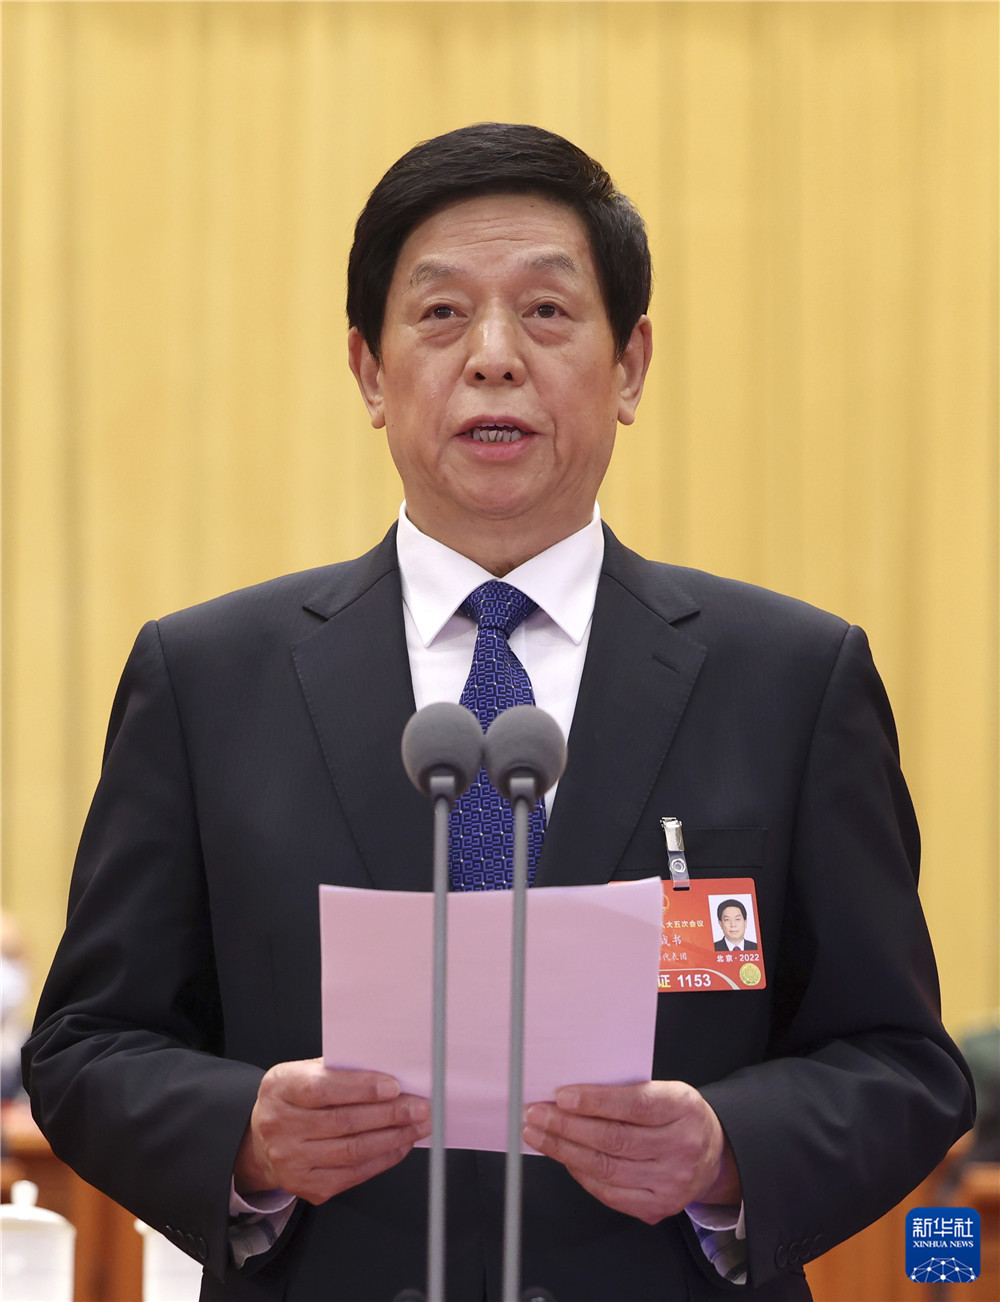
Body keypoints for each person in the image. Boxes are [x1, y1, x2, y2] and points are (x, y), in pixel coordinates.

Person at [24, 124, 973, 1302]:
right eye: (439, 315)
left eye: (546, 312)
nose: (492, 358)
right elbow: (87, 1047)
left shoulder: (790, 679)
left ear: (629, 367)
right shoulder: (209, 679)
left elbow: (900, 1063)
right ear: (369, 373)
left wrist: (726, 1150)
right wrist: (247, 1136)